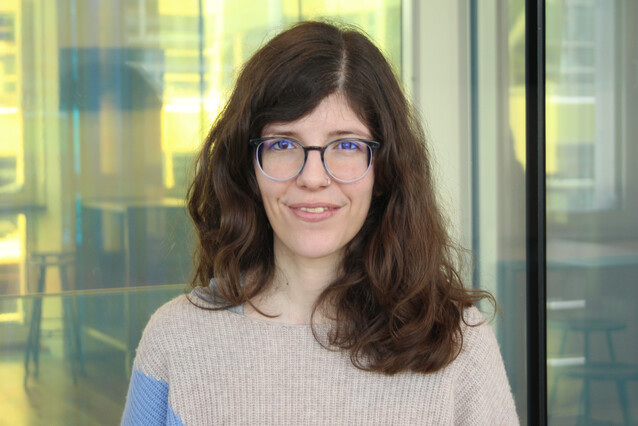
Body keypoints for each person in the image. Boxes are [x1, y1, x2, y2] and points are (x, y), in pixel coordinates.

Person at [122, 21, 518, 425]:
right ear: (249, 168)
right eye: (283, 144)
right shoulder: (175, 340)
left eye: (346, 144)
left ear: (384, 169)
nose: (313, 176)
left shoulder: (455, 342)